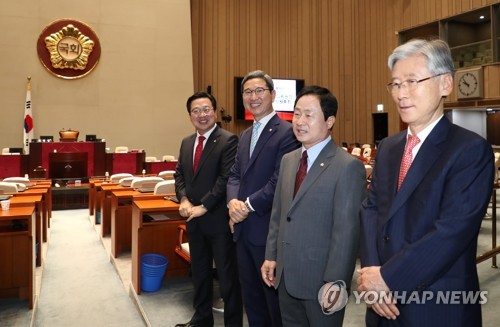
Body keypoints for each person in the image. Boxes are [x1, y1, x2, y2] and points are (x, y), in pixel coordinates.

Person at [357, 39, 494, 327]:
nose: (400, 94)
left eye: (411, 81)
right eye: (395, 84)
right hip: (381, 304)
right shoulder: (390, 147)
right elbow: (370, 209)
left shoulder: (468, 150)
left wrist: (387, 278)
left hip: (437, 305)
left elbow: (451, 232)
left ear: (445, 84)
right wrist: (371, 271)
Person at [261, 85, 367, 326]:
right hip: (286, 277)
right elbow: (279, 215)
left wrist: (335, 282)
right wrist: (271, 256)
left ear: (329, 121)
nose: (299, 121)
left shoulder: (347, 166)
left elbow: (347, 233)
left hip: (321, 282)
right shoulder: (289, 160)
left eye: (309, 115)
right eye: (297, 113)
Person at [227, 70, 301, 326]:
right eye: (247, 92)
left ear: (273, 95)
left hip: (267, 233)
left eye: (259, 91)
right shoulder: (246, 134)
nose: (253, 96)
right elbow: (235, 174)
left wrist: (245, 206)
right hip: (242, 231)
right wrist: (232, 203)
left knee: (273, 306)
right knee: (252, 301)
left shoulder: (287, 132)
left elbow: (280, 182)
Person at [174, 91, 243, 327]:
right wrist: (183, 199)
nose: (201, 115)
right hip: (194, 220)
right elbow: (180, 175)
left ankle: (232, 323)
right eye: (196, 111)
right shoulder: (186, 142)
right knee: (200, 273)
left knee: (227, 278)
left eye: (206, 109)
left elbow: (226, 179)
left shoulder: (228, 140)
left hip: (218, 221)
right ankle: (202, 318)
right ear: (189, 115)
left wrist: (204, 206)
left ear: (214, 111)